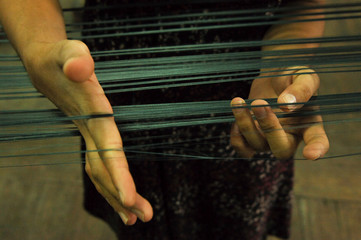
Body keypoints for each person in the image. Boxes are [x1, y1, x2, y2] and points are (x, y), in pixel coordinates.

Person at [0, 0, 329, 239]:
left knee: (235, 223)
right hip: (115, 97)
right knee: (137, 213)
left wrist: (284, 57)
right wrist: (38, 49)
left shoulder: (254, 105)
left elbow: (305, 5)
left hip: (244, 102)